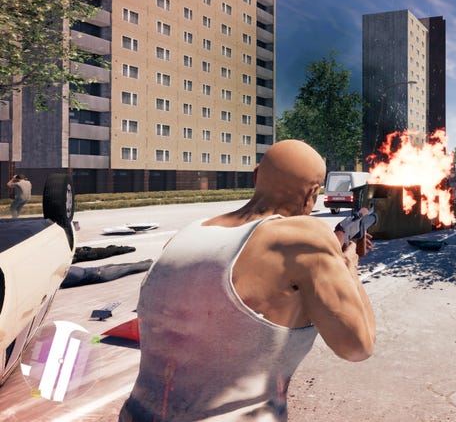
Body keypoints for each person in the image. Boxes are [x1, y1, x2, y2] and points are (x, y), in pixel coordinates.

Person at [119, 140, 376, 422]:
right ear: (311, 194)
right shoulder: (307, 236)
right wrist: (349, 266)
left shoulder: (184, 235)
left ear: (256, 176)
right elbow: (357, 347)